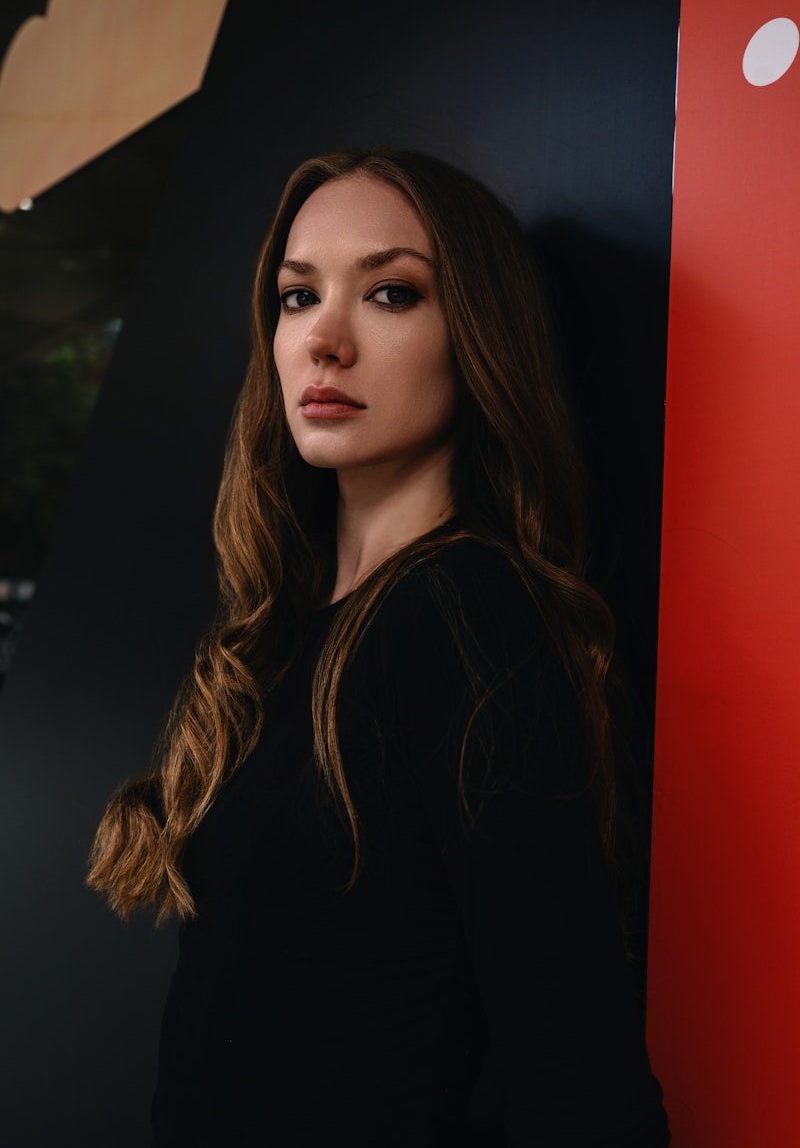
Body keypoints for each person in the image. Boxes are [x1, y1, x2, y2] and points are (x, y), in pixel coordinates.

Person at [87, 148, 671, 1146]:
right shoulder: (284, 631)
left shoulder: (461, 607)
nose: (324, 339)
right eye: (296, 295)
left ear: (475, 336)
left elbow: (572, 1064)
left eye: (391, 293)